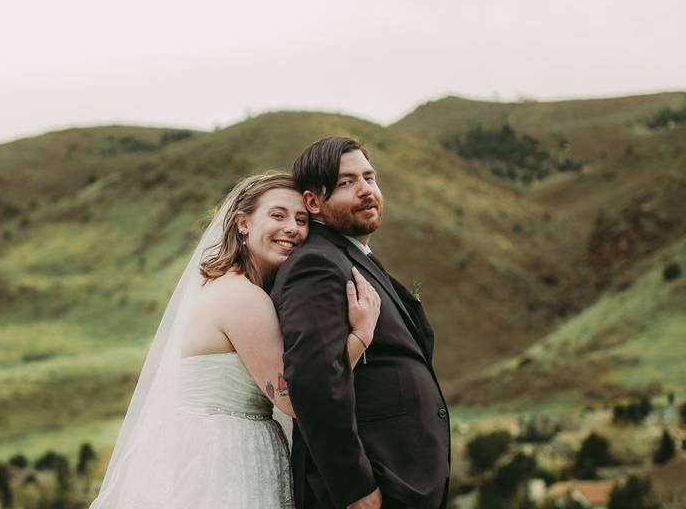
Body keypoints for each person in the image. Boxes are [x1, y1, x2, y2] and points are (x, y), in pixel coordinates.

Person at [90, 172, 382, 508]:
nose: (293, 228)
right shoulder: (243, 298)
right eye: (277, 215)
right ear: (243, 223)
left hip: (204, 443)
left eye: (301, 219)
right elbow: (293, 399)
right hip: (225, 453)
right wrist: (360, 336)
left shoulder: (229, 288)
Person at [271, 137, 451, 509]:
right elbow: (313, 380)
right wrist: (354, 487)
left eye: (370, 178)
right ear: (313, 202)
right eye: (346, 183)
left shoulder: (352, 257)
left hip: (402, 481)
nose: (366, 190)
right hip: (370, 489)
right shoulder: (316, 265)